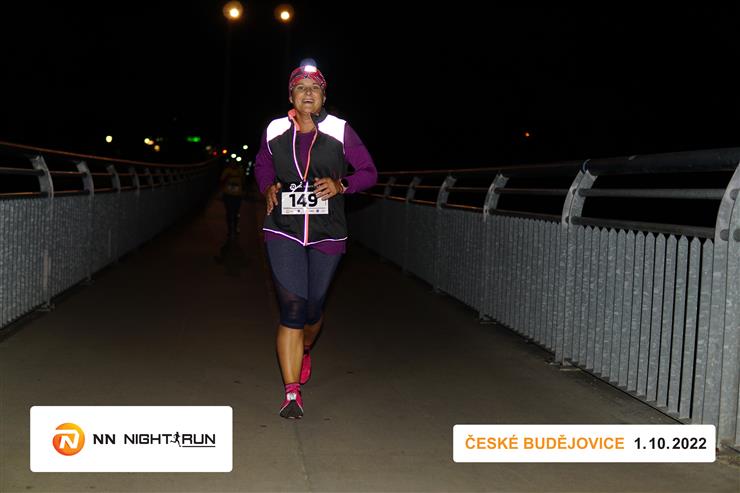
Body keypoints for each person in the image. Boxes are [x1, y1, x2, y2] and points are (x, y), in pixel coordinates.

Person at [254, 62, 378, 419]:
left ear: (323, 96)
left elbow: (369, 172)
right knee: (292, 309)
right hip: (283, 227)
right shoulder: (275, 129)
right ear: (291, 96)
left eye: (315, 88)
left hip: (328, 231)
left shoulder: (340, 129)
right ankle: (292, 393)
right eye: (300, 87)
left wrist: (343, 184)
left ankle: (305, 347)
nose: (307, 93)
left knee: (312, 310)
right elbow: (262, 164)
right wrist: (267, 186)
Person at [218, 160, 245, 239]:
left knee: (236, 212)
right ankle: (230, 229)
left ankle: (235, 227)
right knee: (229, 213)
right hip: (228, 195)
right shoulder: (227, 171)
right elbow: (221, 181)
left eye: (234, 163)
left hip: (237, 195)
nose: (233, 165)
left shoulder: (240, 171)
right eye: (232, 163)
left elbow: (243, 181)